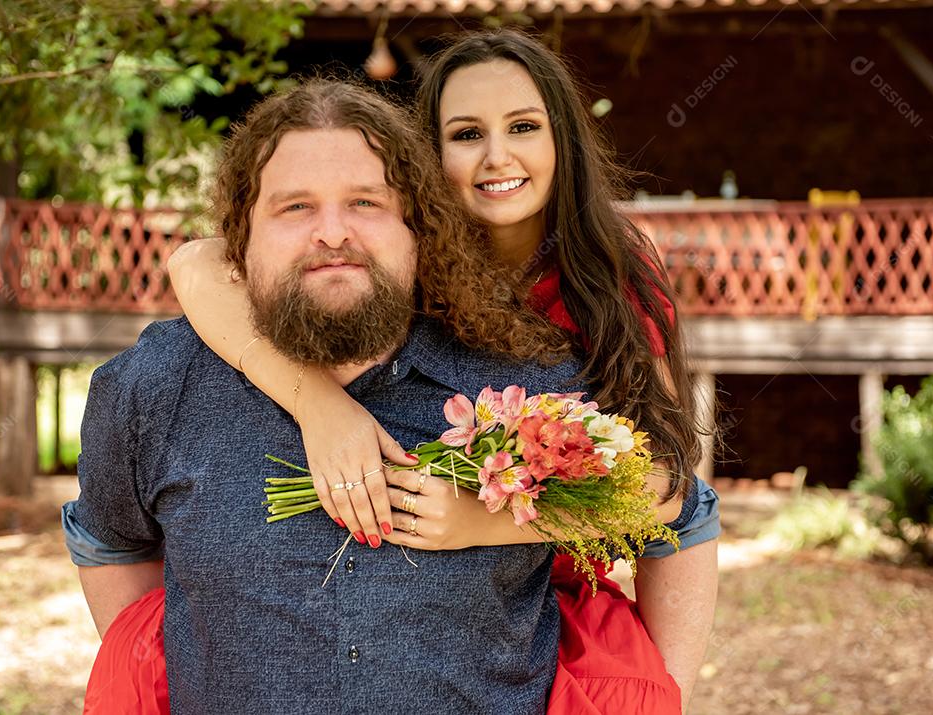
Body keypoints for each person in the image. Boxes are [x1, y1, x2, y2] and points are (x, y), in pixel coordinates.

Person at [169, 30, 721, 713]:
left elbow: (666, 480)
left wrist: (482, 521)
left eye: (523, 126)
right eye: (466, 134)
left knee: (693, 523)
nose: (498, 156)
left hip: (555, 562)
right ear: (427, 154)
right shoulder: (400, 251)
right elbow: (195, 263)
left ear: (563, 140)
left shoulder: (607, 272)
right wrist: (320, 408)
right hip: (434, 607)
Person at [65, 77, 605, 713]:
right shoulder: (151, 390)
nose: (331, 233)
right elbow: (109, 542)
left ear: (418, 229)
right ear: (239, 241)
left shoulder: (531, 385)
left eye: (365, 204)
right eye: (295, 207)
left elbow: (668, 510)